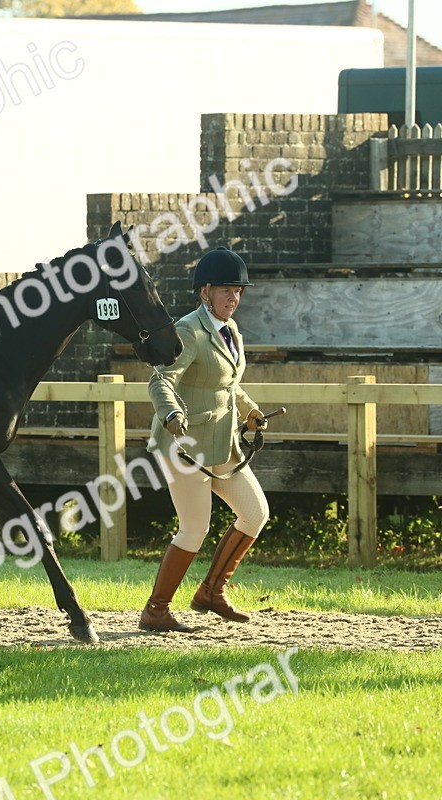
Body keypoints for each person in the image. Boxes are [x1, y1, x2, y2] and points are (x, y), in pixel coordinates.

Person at [140, 247, 270, 633]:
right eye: (227, 290)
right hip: (186, 446)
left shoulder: (231, 331)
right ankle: (156, 611)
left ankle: (212, 591)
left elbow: (228, 385)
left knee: (255, 513)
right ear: (205, 292)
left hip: (222, 442)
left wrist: (250, 410)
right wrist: (171, 413)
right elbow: (160, 380)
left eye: (239, 291)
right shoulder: (188, 331)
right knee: (194, 528)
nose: (235, 298)